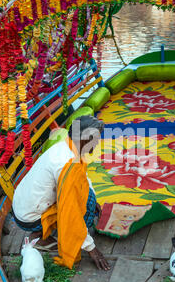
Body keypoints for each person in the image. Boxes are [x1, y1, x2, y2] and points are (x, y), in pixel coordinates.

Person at [12, 115, 110, 271]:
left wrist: (91, 194)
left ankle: (40, 233)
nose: (98, 143)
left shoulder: (66, 146)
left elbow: (82, 178)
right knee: (85, 207)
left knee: (89, 196)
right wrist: (91, 248)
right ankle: (42, 236)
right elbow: (71, 212)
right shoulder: (67, 164)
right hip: (30, 217)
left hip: (21, 208)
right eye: (96, 138)